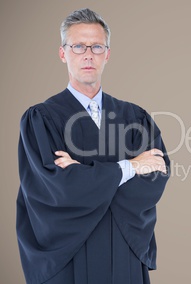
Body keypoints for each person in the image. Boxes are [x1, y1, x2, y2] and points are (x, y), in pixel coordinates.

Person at [16, 8, 170, 284]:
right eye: (78, 46)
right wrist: (131, 166)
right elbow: (57, 188)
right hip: (69, 259)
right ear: (63, 53)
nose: (88, 54)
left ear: (107, 54)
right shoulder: (41, 119)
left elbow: (156, 175)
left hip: (125, 253)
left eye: (97, 46)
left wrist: (85, 177)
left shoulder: (135, 117)